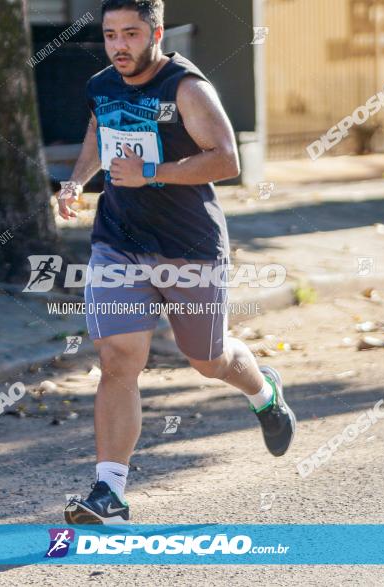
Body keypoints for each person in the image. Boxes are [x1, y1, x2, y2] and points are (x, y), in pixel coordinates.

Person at [58, 0, 295, 524]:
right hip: (117, 240)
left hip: (189, 245)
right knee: (119, 359)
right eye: (110, 34)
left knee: (207, 361)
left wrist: (153, 172)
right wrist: (78, 179)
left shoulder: (186, 88)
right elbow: (99, 133)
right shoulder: (102, 84)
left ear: (157, 33)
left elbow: (226, 158)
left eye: (132, 34)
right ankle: (110, 492)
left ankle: (263, 390)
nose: (119, 45)